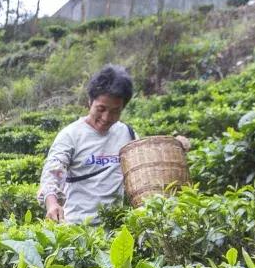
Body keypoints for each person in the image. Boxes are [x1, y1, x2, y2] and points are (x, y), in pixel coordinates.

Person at [39, 65, 189, 224]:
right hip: (77, 230)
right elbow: (52, 173)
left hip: (116, 228)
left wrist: (175, 145)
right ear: (90, 101)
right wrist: (52, 203)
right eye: (101, 109)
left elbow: (147, 164)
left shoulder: (127, 134)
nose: (106, 117)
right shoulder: (70, 135)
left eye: (115, 111)